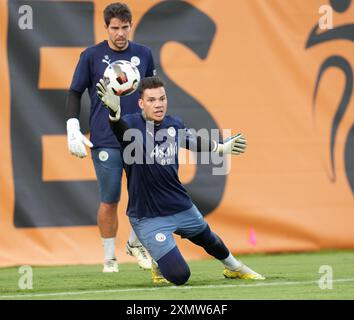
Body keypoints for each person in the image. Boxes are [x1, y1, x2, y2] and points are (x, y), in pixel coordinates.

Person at [96, 76, 265, 284]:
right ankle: (154, 255)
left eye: (162, 98)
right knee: (179, 275)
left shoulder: (173, 124)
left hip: (179, 205)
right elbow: (120, 130)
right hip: (148, 216)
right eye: (151, 100)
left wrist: (221, 148)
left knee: (208, 238)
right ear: (141, 103)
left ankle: (235, 268)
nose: (158, 104)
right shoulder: (130, 123)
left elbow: (191, 140)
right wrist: (114, 115)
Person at [66, 2, 155, 272]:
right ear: (105, 27)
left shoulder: (144, 54)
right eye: (114, 28)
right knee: (110, 198)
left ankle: (135, 244)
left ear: (131, 26)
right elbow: (74, 92)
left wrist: (155, 127)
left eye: (124, 27)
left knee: (147, 195)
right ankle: (109, 258)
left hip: (137, 138)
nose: (120, 33)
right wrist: (73, 126)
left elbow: (151, 93)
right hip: (105, 138)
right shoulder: (91, 56)